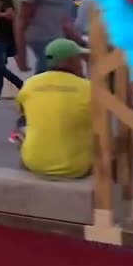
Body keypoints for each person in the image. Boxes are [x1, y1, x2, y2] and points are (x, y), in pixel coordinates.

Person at [17, 38, 92, 179]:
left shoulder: (30, 84)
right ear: (71, 61)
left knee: (22, 128)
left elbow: (22, 112)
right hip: (76, 168)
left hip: (33, 163)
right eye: (79, 59)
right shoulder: (89, 88)